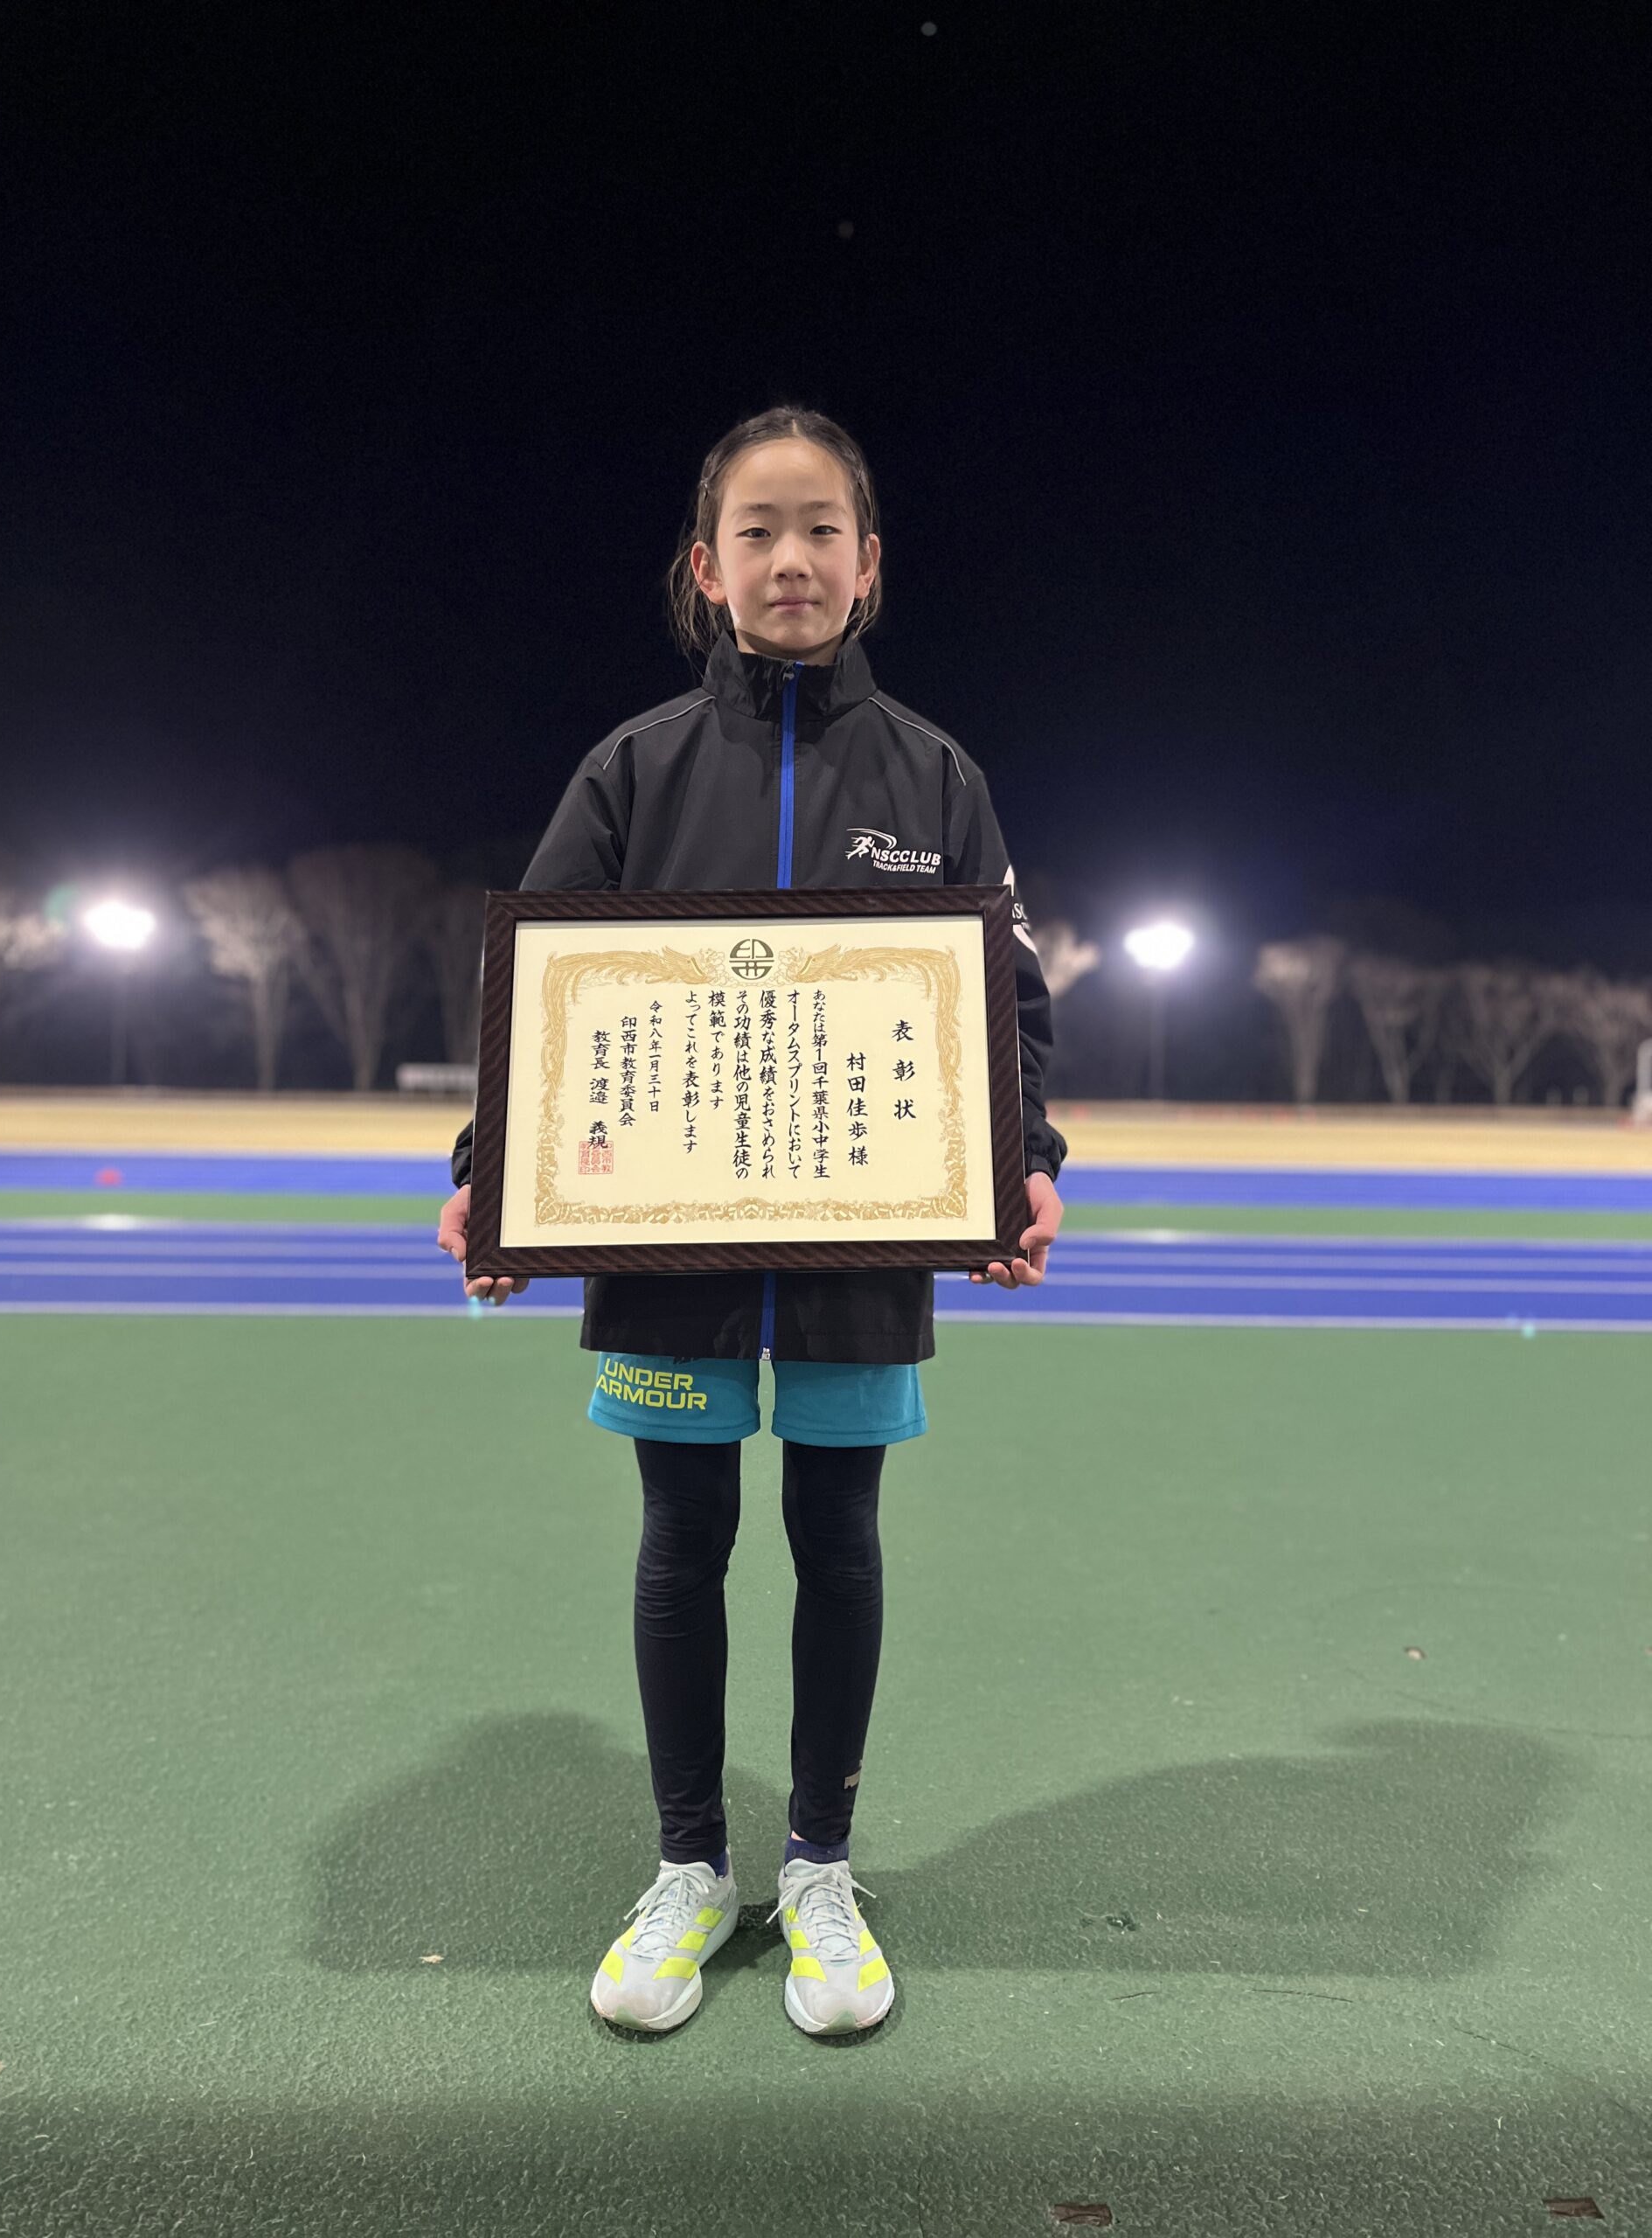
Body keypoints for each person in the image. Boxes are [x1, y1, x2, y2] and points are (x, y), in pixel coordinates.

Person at [436, 404, 1066, 2036]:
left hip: (862, 1245)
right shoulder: (633, 768)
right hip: (673, 1252)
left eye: (822, 529)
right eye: (758, 532)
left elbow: (1005, 1001)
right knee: (683, 1538)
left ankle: (820, 1871)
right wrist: (493, 1173)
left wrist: (1023, 1159)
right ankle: (688, 1868)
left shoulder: (938, 775)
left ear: (871, 564)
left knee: (839, 1537)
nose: (793, 558)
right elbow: (540, 994)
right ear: (706, 569)